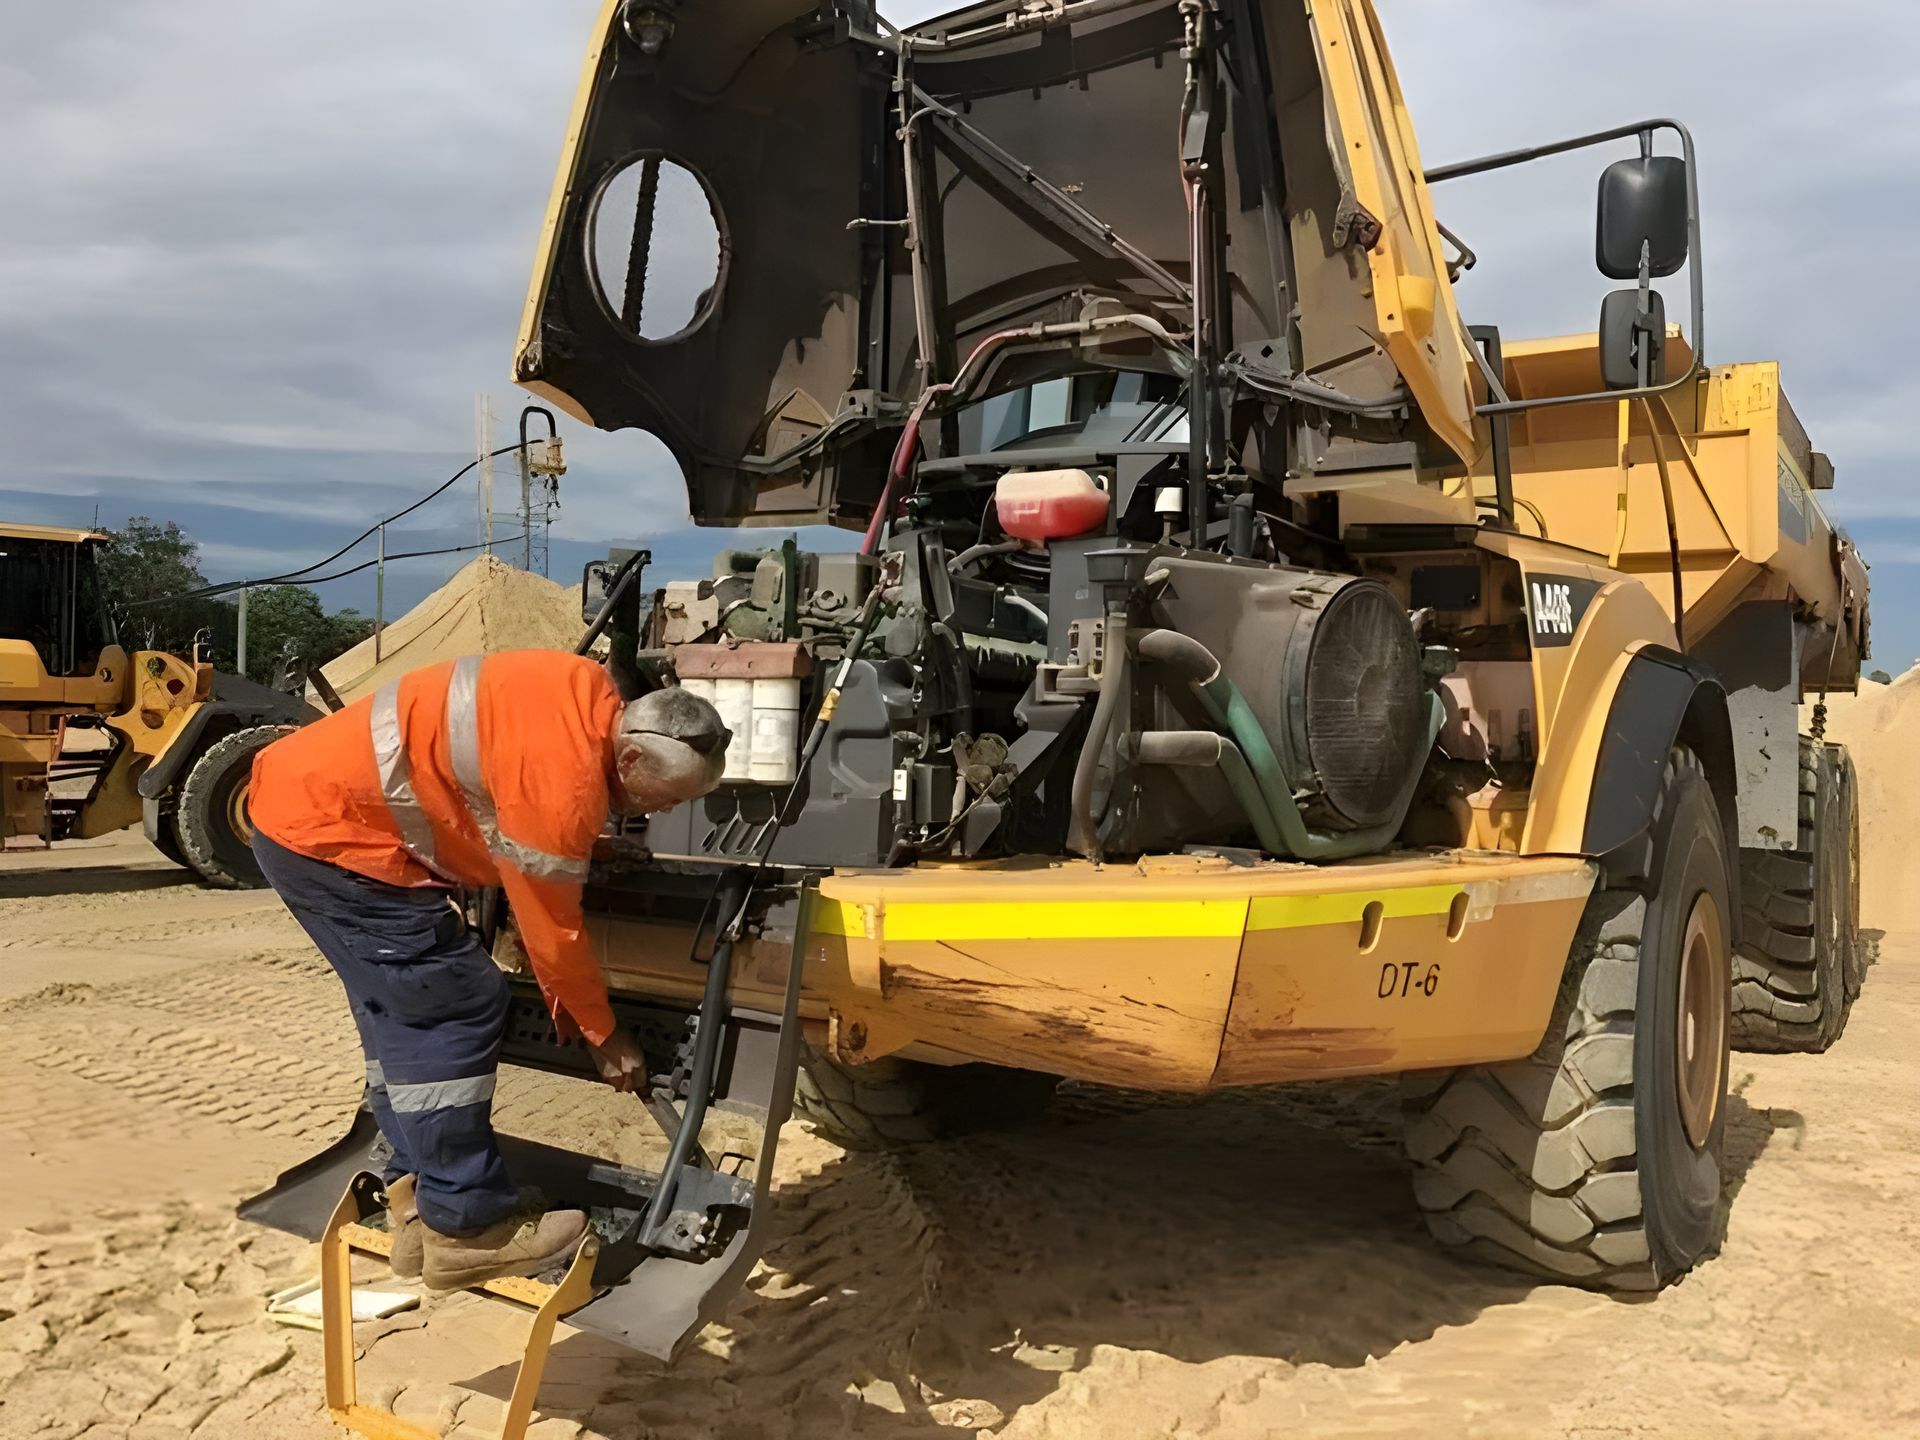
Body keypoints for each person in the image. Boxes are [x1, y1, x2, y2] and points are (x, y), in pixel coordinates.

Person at [246, 649, 728, 1290]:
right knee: (454, 998)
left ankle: (416, 1197)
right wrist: (602, 1034)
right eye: (662, 800)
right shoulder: (562, 789)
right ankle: (468, 1229)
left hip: (301, 812)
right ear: (632, 758)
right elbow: (550, 932)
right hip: (336, 841)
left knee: (398, 1009)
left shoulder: (581, 691)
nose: (660, 814)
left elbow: (494, 786)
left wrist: (577, 841)